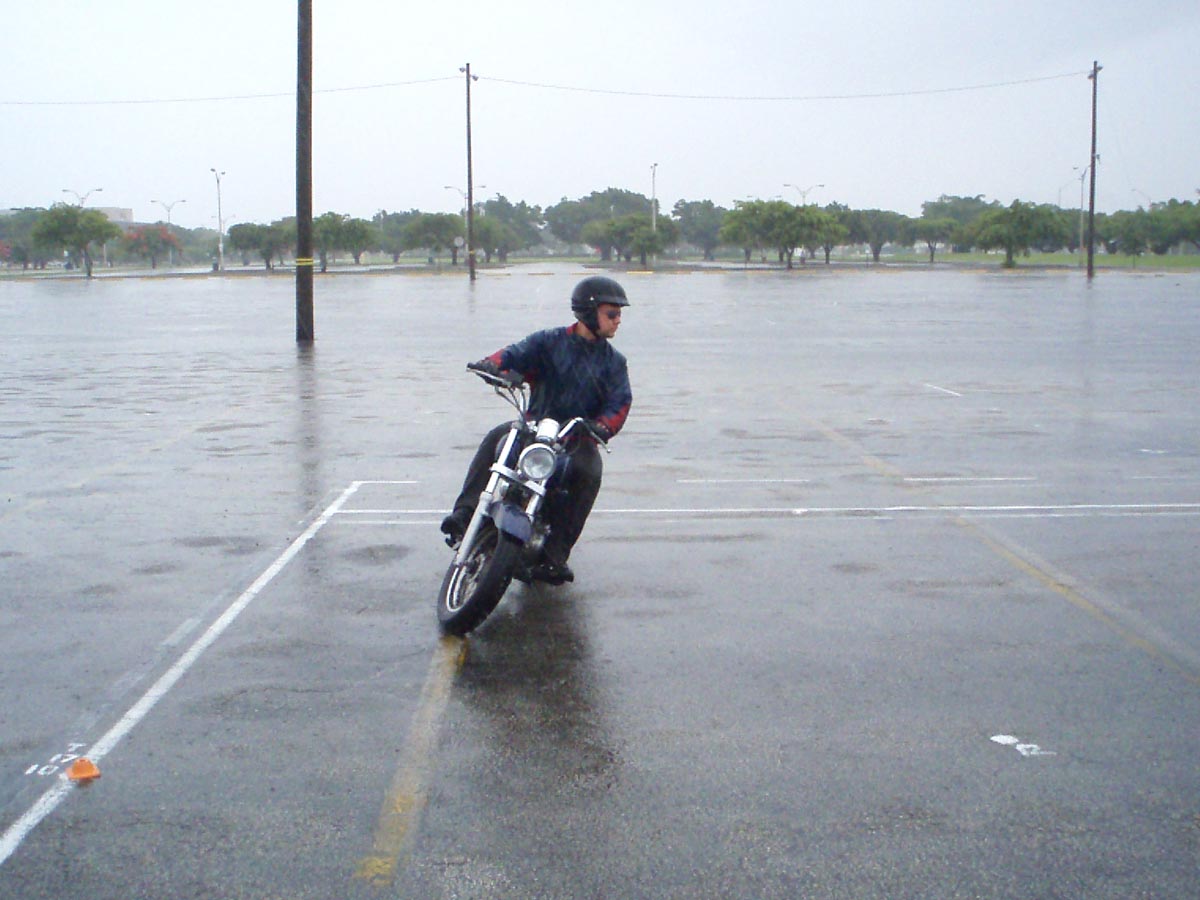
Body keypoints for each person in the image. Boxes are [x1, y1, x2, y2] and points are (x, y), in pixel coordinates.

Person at [440, 275, 633, 584]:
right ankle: (464, 514)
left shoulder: (614, 363)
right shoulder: (549, 341)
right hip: (534, 426)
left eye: (619, 314)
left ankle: (555, 556)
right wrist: (492, 365)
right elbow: (514, 354)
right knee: (497, 438)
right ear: (588, 312)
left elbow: (620, 402)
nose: (618, 320)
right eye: (612, 313)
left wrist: (602, 426)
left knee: (589, 472)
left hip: (576, 437)